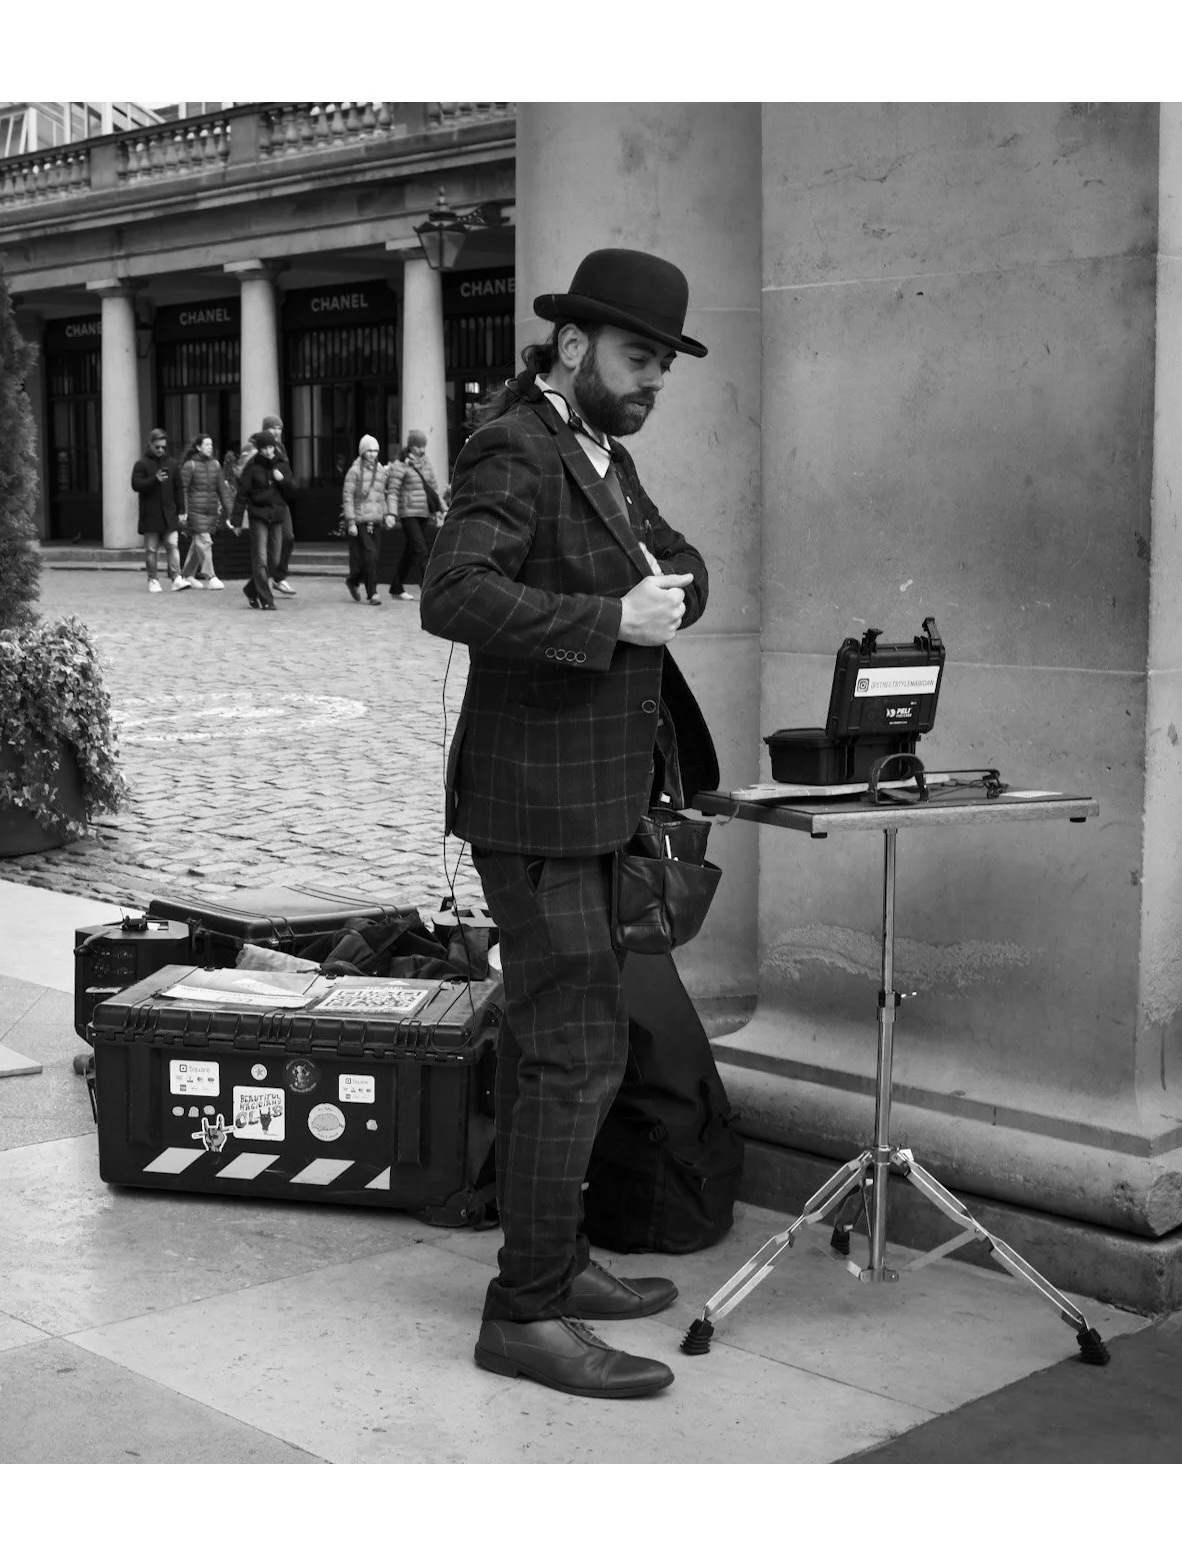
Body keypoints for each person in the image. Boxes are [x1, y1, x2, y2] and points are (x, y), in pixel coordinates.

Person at [421, 247, 721, 1401]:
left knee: (583, 1048)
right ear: (571, 345)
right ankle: (525, 1312)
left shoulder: (604, 456)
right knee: (570, 1053)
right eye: (636, 358)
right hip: (533, 806)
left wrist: (669, 593)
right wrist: (610, 618)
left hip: (591, 802)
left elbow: (682, 561)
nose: (649, 381)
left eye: (661, 366)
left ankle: (556, 1260)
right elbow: (450, 594)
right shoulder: (515, 443)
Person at [229, 427, 295, 611]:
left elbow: (293, 490)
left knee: (275, 561)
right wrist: (236, 521)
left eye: (271, 447)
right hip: (258, 516)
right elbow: (242, 495)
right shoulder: (252, 469)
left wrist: (282, 480)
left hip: (276, 516)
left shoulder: (281, 464)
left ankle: (252, 590)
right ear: (259, 449)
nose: (268, 451)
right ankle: (267, 599)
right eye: (264, 448)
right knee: (261, 559)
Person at [385, 428, 447, 602]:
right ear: (411, 446)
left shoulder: (426, 463)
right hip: (408, 513)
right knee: (420, 549)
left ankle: (396, 587)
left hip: (423, 512)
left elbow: (433, 490)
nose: (422, 449)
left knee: (411, 551)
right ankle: (429, 588)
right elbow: (393, 490)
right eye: (419, 446)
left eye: (423, 446)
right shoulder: (401, 465)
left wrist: (443, 508)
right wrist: (390, 512)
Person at [129, 427, 186, 593]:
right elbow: (136, 485)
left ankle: (176, 577)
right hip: (151, 514)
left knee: (172, 545)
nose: (161, 450)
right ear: (150, 445)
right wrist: (155, 479)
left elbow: (179, 488)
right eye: (157, 447)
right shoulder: (141, 464)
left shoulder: (173, 464)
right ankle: (153, 579)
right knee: (151, 550)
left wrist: (182, 510)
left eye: (163, 447)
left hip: (169, 513)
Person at [338, 434, 392, 605]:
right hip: (360, 519)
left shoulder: (381, 471)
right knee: (369, 554)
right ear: (362, 452)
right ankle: (373, 593)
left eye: (375, 451)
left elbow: (382, 495)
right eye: (369, 450)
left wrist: (387, 514)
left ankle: (353, 580)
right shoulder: (354, 472)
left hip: (375, 519)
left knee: (373, 558)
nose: (372, 454)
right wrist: (351, 522)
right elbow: (348, 497)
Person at [178, 433, 229, 589]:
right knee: (205, 542)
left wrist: (231, 511)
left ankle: (187, 574)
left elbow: (223, 490)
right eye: (206, 444)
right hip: (195, 511)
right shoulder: (190, 465)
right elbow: (183, 490)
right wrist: (184, 510)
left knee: (198, 544)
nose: (210, 447)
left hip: (210, 511)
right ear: (199, 447)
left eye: (211, 444)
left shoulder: (215, 465)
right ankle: (211, 576)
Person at [256, 415, 298, 595]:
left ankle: (279, 576)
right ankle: (262, 584)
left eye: (279, 428)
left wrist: (284, 482)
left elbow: (288, 476)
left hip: (281, 502)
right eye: (273, 428)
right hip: (264, 505)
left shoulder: (280, 449)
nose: (277, 432)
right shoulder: (254, 447)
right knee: (265, 549)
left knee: (288, 537)